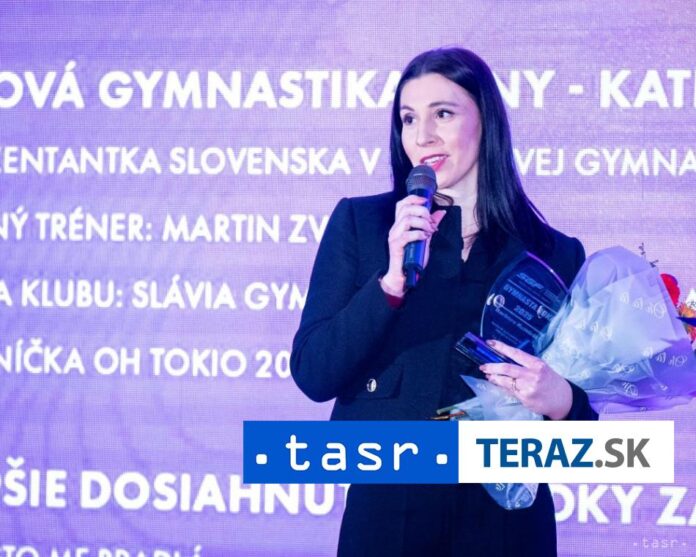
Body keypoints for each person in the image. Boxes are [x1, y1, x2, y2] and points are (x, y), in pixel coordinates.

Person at [290, 47, 598, 557]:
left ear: (486, 121)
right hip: (388, 515)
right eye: (409, 119)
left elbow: (583, 430)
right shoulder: (364, 225)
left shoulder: (552, 252)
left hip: (505, 521)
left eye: (443, 114)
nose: (422, 136)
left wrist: (560, 399)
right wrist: (389, 284)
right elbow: (314, 374)